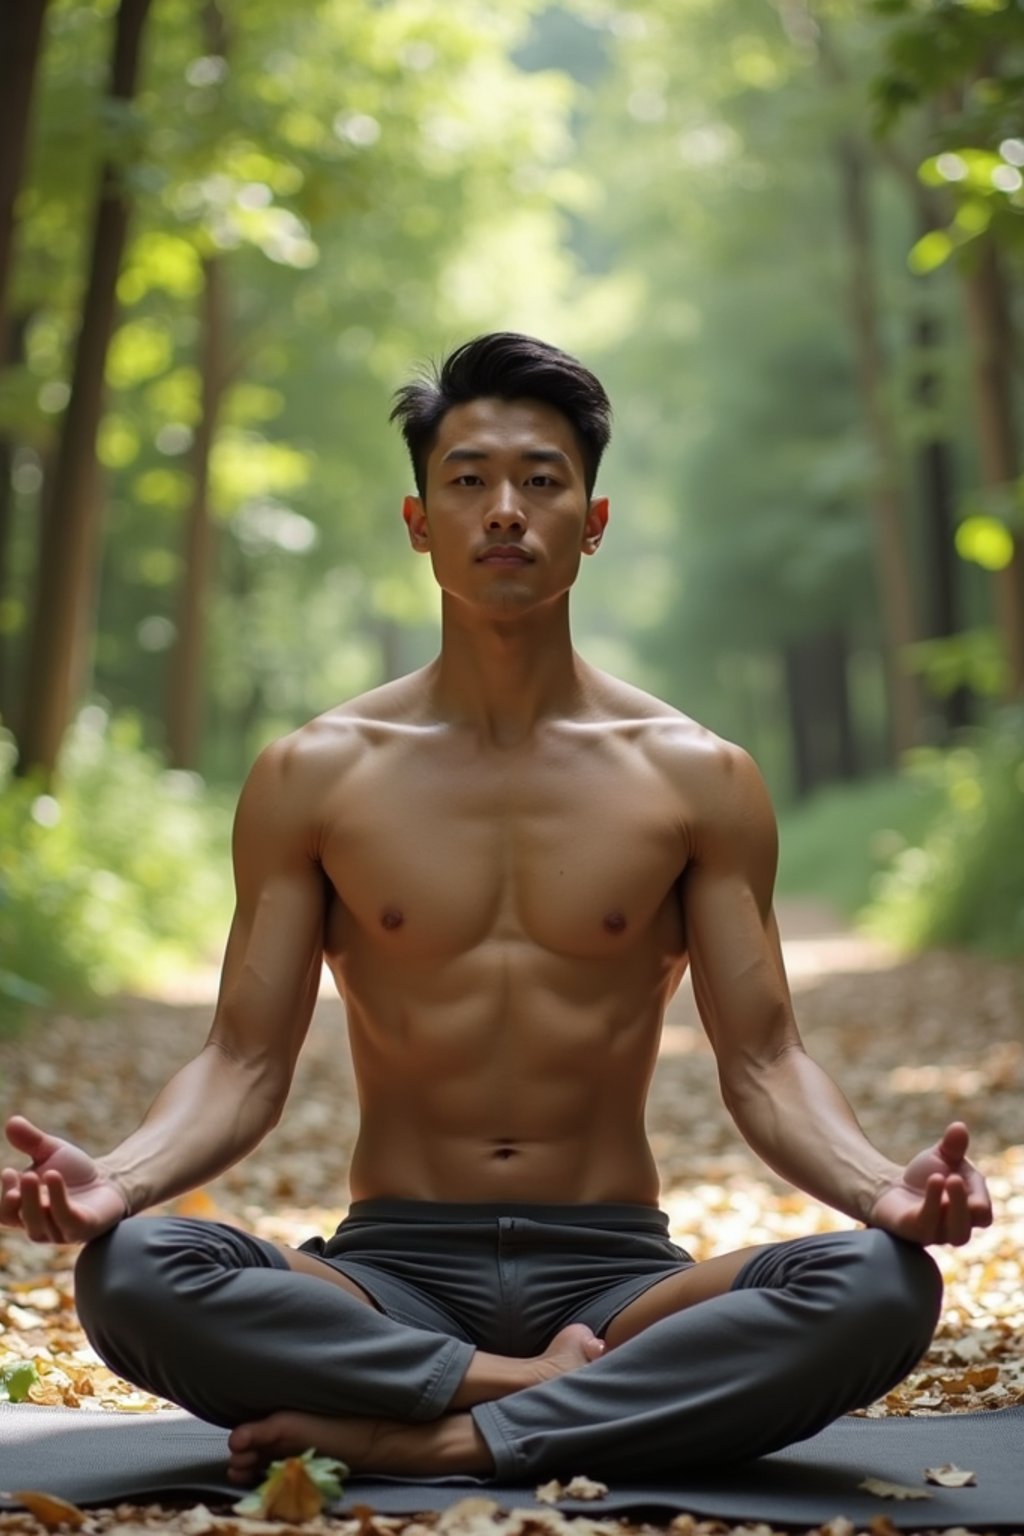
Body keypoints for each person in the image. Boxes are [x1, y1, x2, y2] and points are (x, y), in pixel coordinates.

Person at [1, 333, 992, 1488]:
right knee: (133, 1271)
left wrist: (885, 1191)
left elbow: (766, 1059)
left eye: (542, 479)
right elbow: (241, 1062)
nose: (505, 510)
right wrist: (116, 1179)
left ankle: (434, 1433)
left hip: (619, 1278)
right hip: (386, 1274)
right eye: (468, 480)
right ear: (420, 523)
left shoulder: (697, 777)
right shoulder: (313, 774)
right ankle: (529, 1399)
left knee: (881, 1285)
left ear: (594, 517)